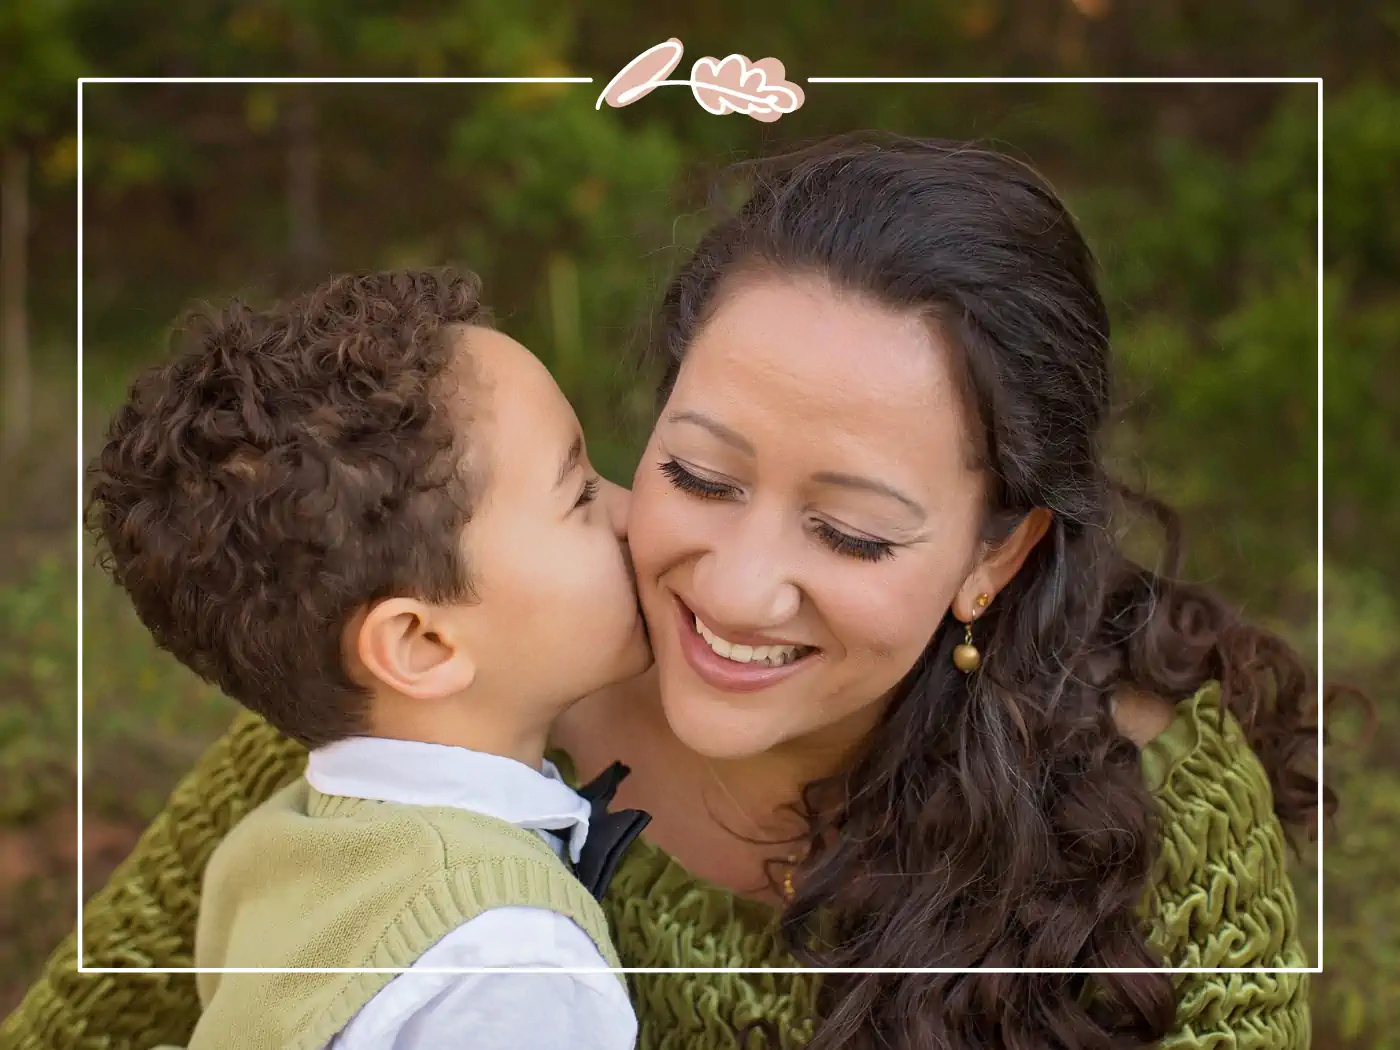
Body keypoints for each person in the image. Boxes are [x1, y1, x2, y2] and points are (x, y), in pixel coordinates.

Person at [3, 136, 1325, 1050]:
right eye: (695, 471)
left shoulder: (1158, 808)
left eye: (853, 533)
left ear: (997, 551)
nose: (739, 586)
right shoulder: (434, 707)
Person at [75, 268, 653, 1050]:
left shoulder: (274, 850)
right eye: (579, 494)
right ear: (421, 645)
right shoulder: (513, 965)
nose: (633, 510)